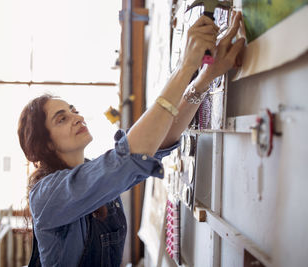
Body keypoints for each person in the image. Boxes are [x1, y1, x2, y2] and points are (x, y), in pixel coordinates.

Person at [18, 12, 245, 267]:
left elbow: (155, 144)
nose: (76, 117)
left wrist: (204, 79)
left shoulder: (92, 171)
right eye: (61, 118)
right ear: (46, 144)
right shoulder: (47, 195)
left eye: (73, 109)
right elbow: (130, 156)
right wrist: (184, 68)